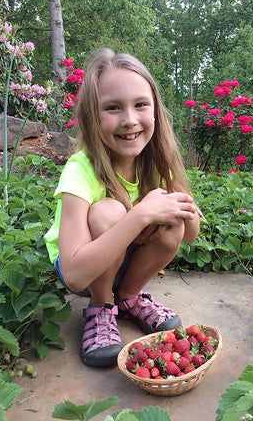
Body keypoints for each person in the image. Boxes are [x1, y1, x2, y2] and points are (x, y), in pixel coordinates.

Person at [44, 48, 200, 367]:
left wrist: (179, 211)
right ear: (91, 116)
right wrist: (141, 214)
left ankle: (127, 297)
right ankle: (102, 307)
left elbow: (189, 235)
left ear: (155, 110)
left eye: (140, 104)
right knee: (108, 212)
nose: (129, 120)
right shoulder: (80, 169)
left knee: (171, 222)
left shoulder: (157, 162)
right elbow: (74, 276)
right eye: (113, 108)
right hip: (82, 266)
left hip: (122, 260)